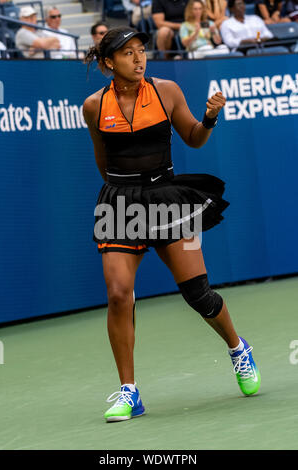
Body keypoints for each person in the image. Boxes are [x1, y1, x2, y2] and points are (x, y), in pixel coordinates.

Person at [83, 26, 261, 423]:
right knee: (117, 294)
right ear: (109, 63)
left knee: (199, 294)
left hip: (165, 198)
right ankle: (130, 392)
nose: (139, 58)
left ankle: (237, 348)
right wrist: (119, 196)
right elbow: (102, 158)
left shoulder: (166, 92)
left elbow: (194, 138)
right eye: (128, 53)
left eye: (141, 50)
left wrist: (210, 118)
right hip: (120, 203)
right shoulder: (94, 106)